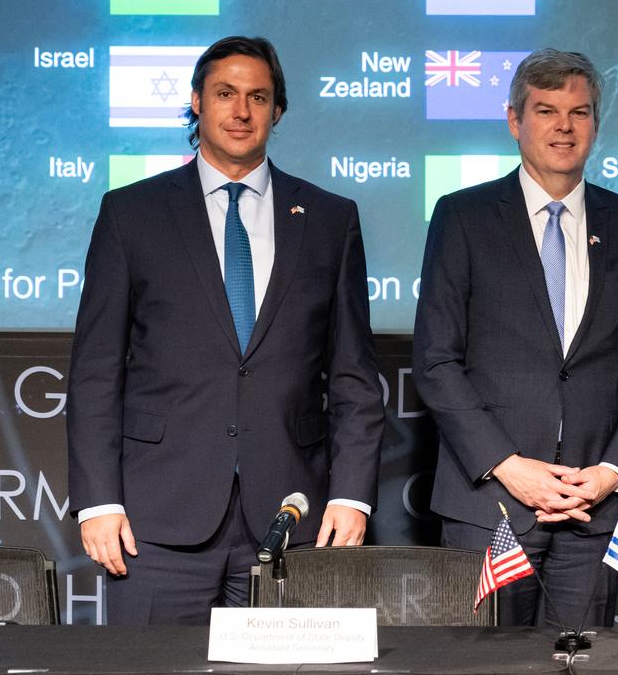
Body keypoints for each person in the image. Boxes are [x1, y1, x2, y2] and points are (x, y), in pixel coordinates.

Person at [67, 36, 385, 625]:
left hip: (293, 520)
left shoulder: (330, 219)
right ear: (196, 102)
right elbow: (94, 373)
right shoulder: (130, 213)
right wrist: (98, 502)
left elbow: (353, 377)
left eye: (258, 97)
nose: (241, 111)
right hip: (154, 521)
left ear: (277, 111)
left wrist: (351, 494)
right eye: (225, 94)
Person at [413, 49, 618, 627]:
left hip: (594, 509)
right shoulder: (463, 217)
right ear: (514, 121)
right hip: (492, 505)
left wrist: (611, 472)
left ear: (596, 125)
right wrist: (509, 466)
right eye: (546, 110)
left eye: (579, 112)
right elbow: (435, 362)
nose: (564, 126)